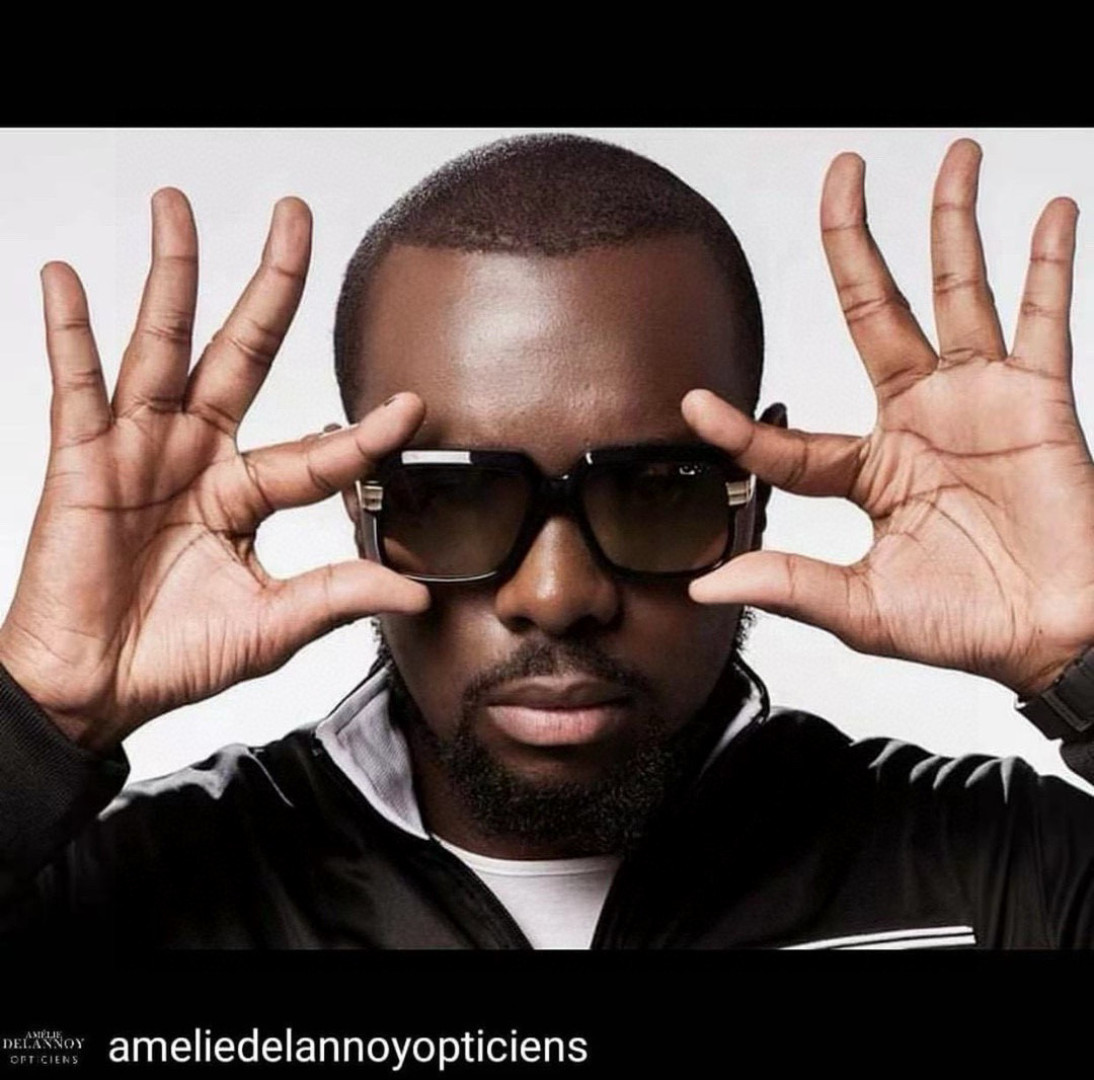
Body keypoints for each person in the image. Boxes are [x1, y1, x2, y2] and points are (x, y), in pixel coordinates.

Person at [2, 130, 1094, 950]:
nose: (557, 593)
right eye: (450, 497)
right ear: (357, 505)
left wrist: (1079, 654)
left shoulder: (999, 872)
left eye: (656, 490)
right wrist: (40, 717)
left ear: (752, 497)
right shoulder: (126, 888)